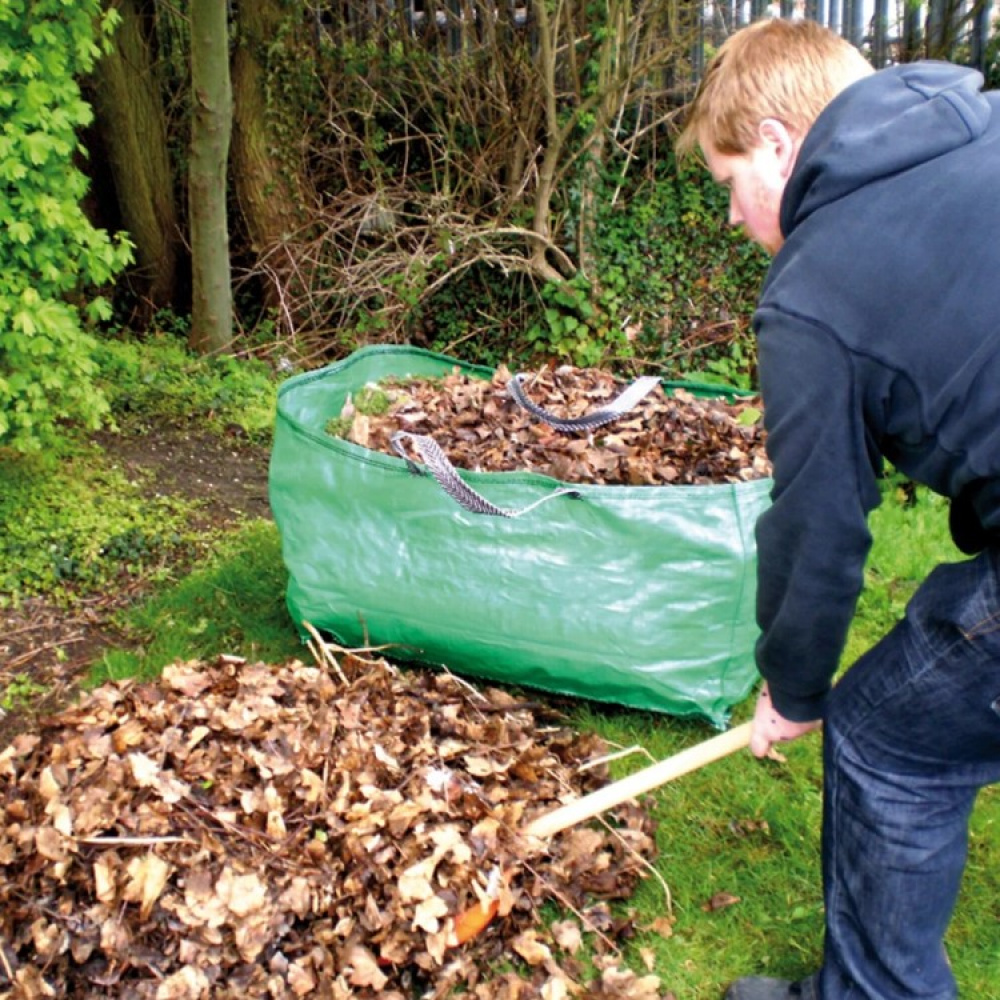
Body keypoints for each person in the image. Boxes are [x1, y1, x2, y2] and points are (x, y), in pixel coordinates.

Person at [675, 17, 1000, 1000]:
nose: (733, 216)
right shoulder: (975, 127)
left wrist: (796, 688)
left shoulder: (814, 288)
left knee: (886, 735)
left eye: (730, 183)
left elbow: (818, 529)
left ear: (778, 142)